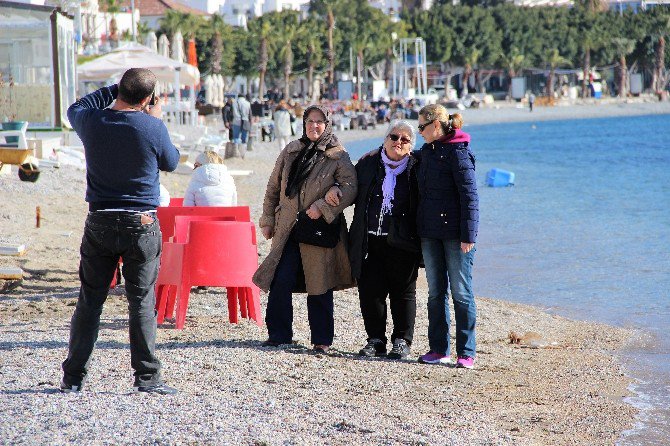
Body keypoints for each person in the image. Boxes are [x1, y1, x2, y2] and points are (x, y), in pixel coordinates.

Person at [61, 68, 180, 394]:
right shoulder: (152, 126)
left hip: (100, 218)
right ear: (147, 99)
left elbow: (75, 108)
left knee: (90, 301)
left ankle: (73, 378)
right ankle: (146, 378)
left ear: (120, 91)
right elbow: (172, 162)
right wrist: (153, 116)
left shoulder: (93, 122)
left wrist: (116, 89)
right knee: (140, 301)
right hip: (140, 222)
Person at [252, 105, 357, 354]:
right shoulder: (291, 151)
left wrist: (323, 205)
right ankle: (279, 335)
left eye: (319, 122)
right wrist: (267, 220)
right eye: (310, 121)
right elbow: (273, 188)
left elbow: (351, 186)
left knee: (319, 283)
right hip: (287, 227)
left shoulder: (338, 154)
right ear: (303, 123)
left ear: (327, 124)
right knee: (280, 279)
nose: (314, 126)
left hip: (318, 229)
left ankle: (321, 341)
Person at [335, 120, 421, 360]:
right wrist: (333, 191)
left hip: (403, 242)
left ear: (411, 146)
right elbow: (348, 187)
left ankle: (402, 341)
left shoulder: (417, 167)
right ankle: (375, 340)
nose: (398, 143)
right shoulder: (368, 162)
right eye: (394, 137)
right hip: (368, 238)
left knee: (403, 293)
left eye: (405, 140)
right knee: (370, 292)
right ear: (385, 139)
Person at [415, 104, 479, 369]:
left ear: (436, 126)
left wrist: (469, 235)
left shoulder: (459, 153)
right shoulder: (426, 152)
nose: (419, 132)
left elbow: (470, 196)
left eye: (421, 127)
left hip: (456, 235)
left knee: (461, 293)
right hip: (430, 233)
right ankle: (439, 349)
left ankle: (467, 352)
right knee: (435, 293)